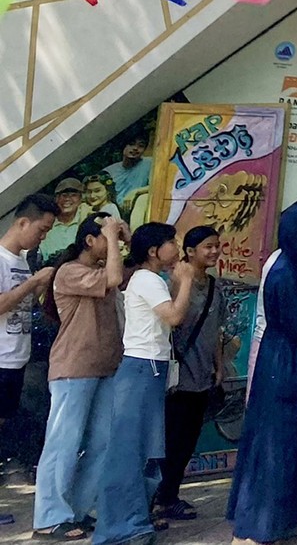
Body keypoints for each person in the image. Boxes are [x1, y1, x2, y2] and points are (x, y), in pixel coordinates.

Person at [229, 206, 297, 545]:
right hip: (282, 362)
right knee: (275, 444)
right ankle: (254, 525)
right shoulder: (284, 271)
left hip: (295, 359)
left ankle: (290, 516)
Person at [93, 223, 195, 545]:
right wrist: (187, 282)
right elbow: (174, 316)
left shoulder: (148, 277)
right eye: (171, 242)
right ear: (154, 251)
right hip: (142, 369)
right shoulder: (149, 279)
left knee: (143, 450)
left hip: (148, 370)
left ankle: (134, 520)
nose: (176, 247)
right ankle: (121, 527)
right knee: (129, 451)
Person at [34, 213, 127, 542]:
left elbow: (119, 270)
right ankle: (48, 516)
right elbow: (115, 276)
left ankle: (74, 510)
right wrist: (114, 236)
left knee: (101, 444)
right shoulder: (70, 271)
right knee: (63, 444)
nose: (112, 243)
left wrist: (118, 232)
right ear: (90, 240)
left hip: (104, 367)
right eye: (104, 237)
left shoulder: (97, 271)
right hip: (73, 369)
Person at [156, 227, 223, 520]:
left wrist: (219, 365)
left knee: (187, 441)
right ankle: (157, 497)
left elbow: (216, 331)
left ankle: (169, 496)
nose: (214, 252)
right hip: (176, 377)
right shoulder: (173, 283)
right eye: (207, 247)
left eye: (217, 246)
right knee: (170, 439)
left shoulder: (214, 287)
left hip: (202, 376)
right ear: (190, 251)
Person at [0, 195, 56, 524]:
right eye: (41, 229)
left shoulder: (20, 260)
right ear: (23, 222)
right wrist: (34, 283)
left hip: (15, 358)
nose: (43, 236)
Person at [106, 145, 152, 216]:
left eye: (141, 145)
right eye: (131, 144)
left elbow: (157, 186)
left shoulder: (149, 163)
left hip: (138, 209)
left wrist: (135, 192)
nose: (135, 148)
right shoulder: (109, 171)